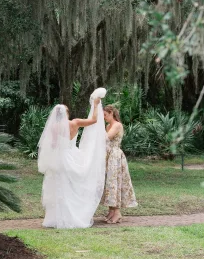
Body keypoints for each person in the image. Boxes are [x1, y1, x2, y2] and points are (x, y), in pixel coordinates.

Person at [38, 96, 106, 229]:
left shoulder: (53, 127)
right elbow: (94, 120)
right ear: (67, 113)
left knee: (60, 187)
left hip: (59, 159)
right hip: (73, 156)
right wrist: (96, 105)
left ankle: (58, 218)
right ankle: (74, 216)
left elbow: (52, 144)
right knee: (73, 186)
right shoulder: (75, 123)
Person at [101, 105, 137, 224]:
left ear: (111, 113)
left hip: (115, 156)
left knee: (115, 182)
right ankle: (111, 210)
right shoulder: (107, 126)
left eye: (105, 115)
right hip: (108, 156)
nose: (104, 117)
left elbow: (107, 138)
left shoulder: (117, 125)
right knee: (109, 183)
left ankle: (117, 212)